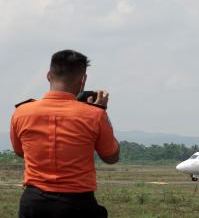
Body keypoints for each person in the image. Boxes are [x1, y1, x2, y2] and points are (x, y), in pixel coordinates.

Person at [10, 49, 120, 218]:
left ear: (48, 75)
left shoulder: (21, 112)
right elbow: (111, 157)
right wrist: (101, 110)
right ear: (83, 80)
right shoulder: (95, 115)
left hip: (34, 202)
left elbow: (20, 152)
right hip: (77, 203)